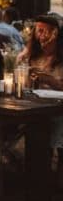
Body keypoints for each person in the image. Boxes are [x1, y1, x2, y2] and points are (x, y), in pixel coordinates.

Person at [21, 16, 63, 151]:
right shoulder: (32, 55)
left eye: (46, 31)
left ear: (55, 33)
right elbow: (25, 85)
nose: (42, 35)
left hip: (57, 110)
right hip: (34, 107)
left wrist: (50, 80)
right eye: (39, 31)